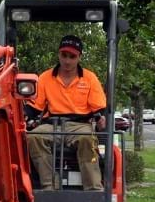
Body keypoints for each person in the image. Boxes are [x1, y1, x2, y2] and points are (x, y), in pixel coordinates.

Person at [25, 35, 107, 191]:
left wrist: (101, 117)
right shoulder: (45, 77)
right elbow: (35, 106)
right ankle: (50, 186)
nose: (67, 60)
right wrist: (24, 115)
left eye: (72, 56)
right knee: (34, 136)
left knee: (87, 139)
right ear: (58, 54)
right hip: (53, 125)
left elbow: (98, 107)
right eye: (64, 55)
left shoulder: (89, 78)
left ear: (79, 57)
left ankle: (94, 189)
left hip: (80, 125)